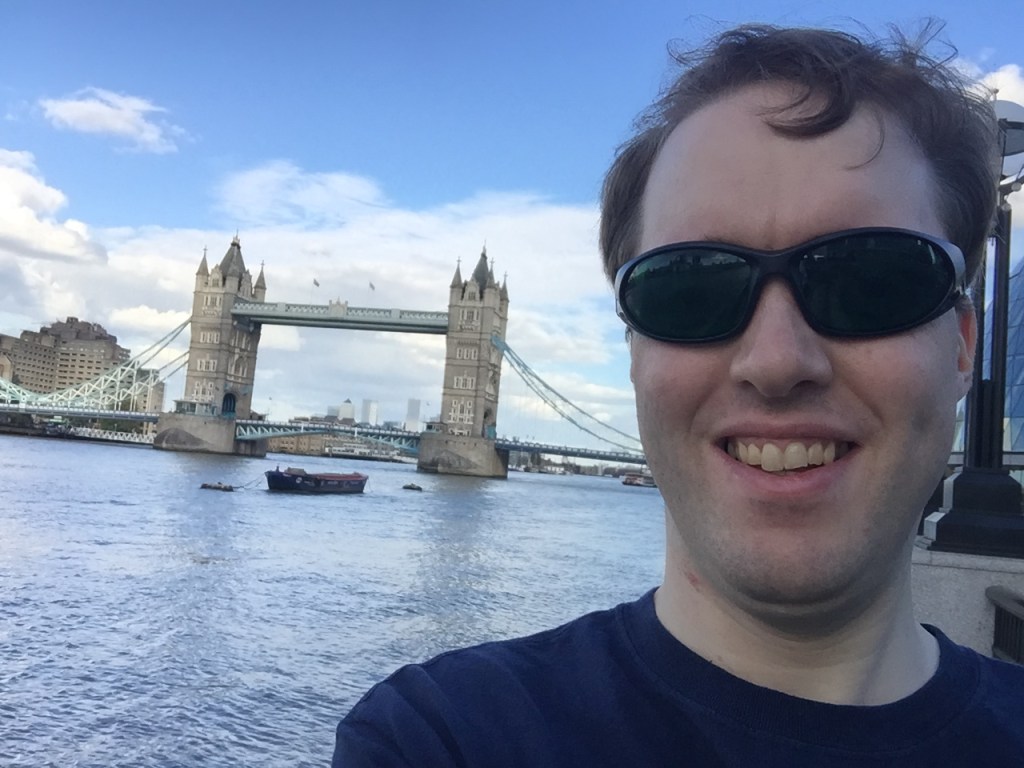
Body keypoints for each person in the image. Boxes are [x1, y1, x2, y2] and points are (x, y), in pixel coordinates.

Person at [334, 24, 1024, 766]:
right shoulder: (439, 739)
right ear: (635, 350)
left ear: (962, 346)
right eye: (691, 288)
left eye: (871, 280)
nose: (776, 359)